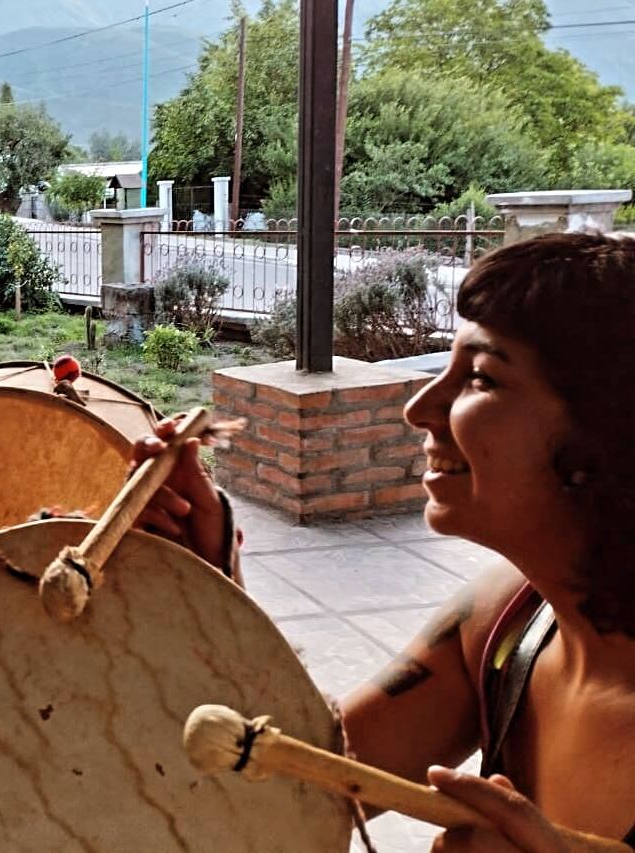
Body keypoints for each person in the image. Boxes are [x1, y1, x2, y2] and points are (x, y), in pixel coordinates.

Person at [141, 231, 635, 850]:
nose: (420, 407)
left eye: (481, 378)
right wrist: (212, 585)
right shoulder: (509, 621)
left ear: (608, 432)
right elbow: (303, 779)